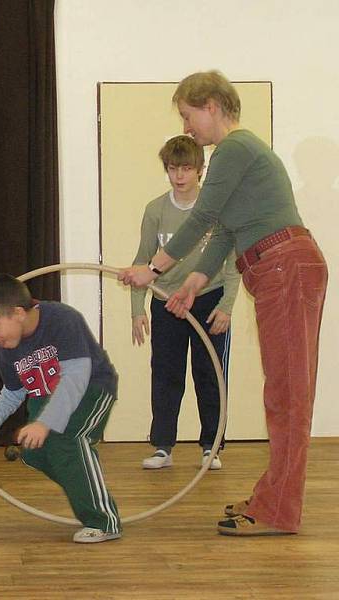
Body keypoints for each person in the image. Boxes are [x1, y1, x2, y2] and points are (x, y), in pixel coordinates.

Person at [119, 70, 328, 536]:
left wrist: (151, 269)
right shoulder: (236, 156)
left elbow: (204, 217)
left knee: (288, 395)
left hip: (284, 267)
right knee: (282, 392)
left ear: (211, 105)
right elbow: (225, 234)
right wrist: (192, 283)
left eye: (188, 115)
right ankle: (272, 497)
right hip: (277, 268)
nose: (187, 127)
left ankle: (278, 511)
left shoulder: (235, 148)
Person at [0, 274, 121, 543]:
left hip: (90, 390)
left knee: (65, 441)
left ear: (17, 313)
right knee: (34, 453)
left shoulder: (61, 319)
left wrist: (45, 423)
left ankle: (103, 521)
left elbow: (76, 376)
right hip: (45, 399)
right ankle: (85, 486)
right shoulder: (7, 349)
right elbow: (13, 390)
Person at [131, 135, 239, 471]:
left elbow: (234, 261)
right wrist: (137, 310)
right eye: (173, 168)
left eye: (187, 168)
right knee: (165, 375)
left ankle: (211, 446)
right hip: (167, 303)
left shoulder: (215, 209)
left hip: (210, 300)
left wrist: (228, 305)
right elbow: (142, 261)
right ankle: (163, 446)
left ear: (200, 170)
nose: (180, 175)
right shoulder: (155, 211)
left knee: (210, 374)